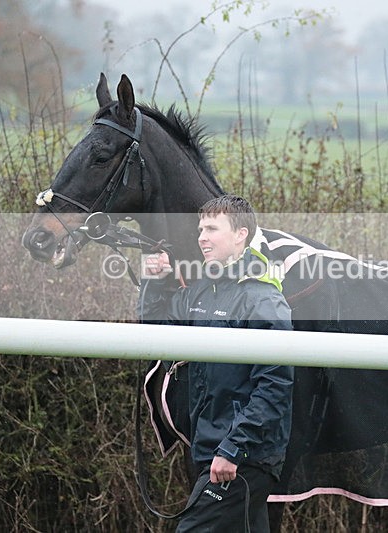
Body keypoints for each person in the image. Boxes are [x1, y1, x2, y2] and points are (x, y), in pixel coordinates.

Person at [139, 195, 294, 533]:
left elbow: (275, 388)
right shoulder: (200, 292)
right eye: (200, 229)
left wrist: (233, 449)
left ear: (240, 234)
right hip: (211, 452)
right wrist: (154, 280)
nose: (201, 237)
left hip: (241, 459)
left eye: (211, 228)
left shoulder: (264, 300)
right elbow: (155, 339)